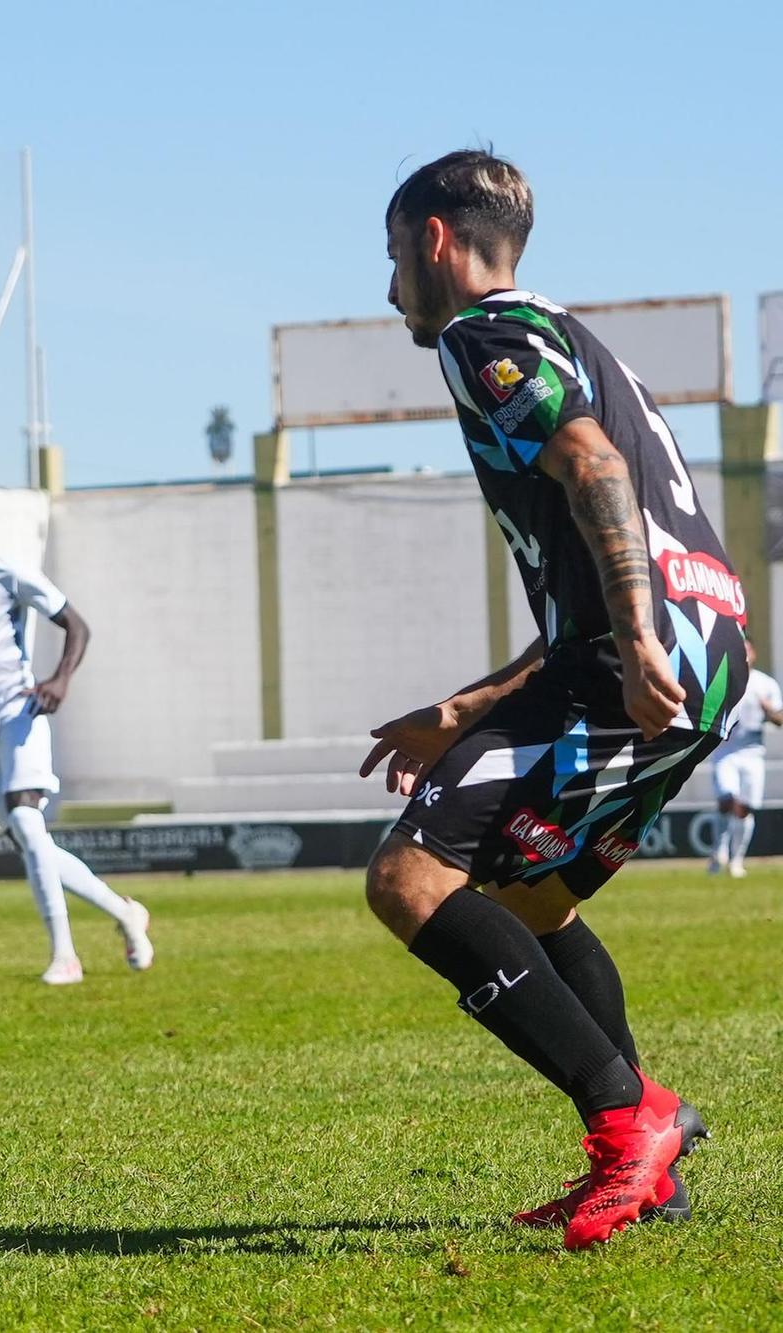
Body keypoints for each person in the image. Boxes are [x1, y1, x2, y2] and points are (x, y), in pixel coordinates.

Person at [360, 150, 745, 1250]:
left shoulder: (485, 335)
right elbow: (596, 545)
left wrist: (629, 641)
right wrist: (465, 705)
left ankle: (633, 1124)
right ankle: (649, 1162)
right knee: (529, 897)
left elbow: (592, 473)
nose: (389, 287)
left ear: (434, 240)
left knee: (408, 879)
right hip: (706, 650)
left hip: (639, 656)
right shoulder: (575, 338)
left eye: (393, 255)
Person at [0, 477, 153, 983]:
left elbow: (77, 626)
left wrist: (60, 679)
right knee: (29, 839)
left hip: (20, 712)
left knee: (28, 824)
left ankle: (66, 956)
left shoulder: (8, 572)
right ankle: (125, 913)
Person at [709, 639, 783, 877]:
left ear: (754, 653)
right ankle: (718, 851)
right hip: (725, 750)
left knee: (745, 808)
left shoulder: (765, 684)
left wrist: (769, 710)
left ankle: (737, 861)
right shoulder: (721, 678)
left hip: (752, 752)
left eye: (747, 650)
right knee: (726, 799)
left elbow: (779, 720)